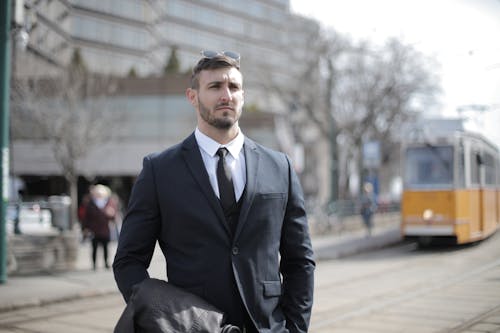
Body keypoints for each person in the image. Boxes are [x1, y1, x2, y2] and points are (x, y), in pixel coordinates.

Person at [113, 51, 315, 332]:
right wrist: (167, 318)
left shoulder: (280, 167)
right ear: (192, 96)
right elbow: (128, 262)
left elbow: (300, 260)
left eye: (233, 87)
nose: (226, 95)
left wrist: (295, 328)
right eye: (215, 87)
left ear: (243, 95)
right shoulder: (159, 171)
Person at [80, 184, 118, 270]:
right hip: (94, 230)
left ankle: (106, 263)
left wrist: (112, 214)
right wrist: (85, 228)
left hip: (105, 229)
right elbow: (86, 218)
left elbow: (114, 215)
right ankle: (94, 264)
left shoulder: (109, 203)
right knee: (94, 248)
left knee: (105, 248)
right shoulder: (90, 204)